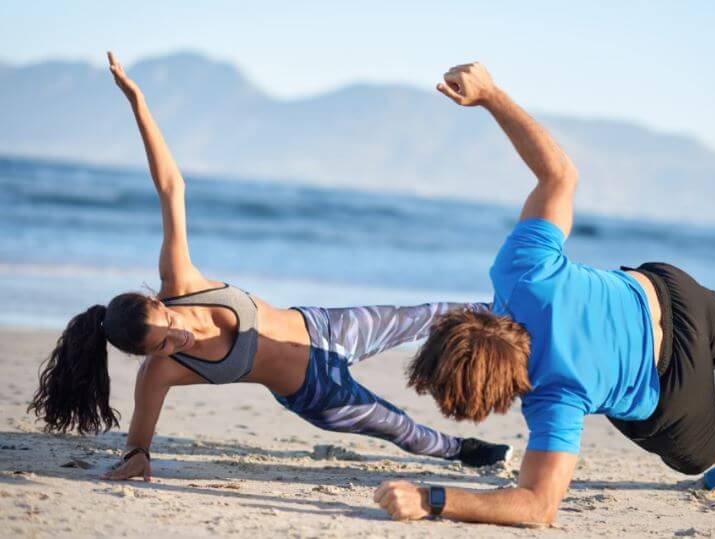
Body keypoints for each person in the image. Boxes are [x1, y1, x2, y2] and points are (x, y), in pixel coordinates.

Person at [373, 62, 715, 524]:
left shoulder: (553, 395)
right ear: (460, 321)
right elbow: (559, 173)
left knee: (713, 445)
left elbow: (537, 507)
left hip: (669, 389)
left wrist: (433, 500)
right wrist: (490, 95)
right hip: (664, 296)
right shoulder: (520, 273)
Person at [27, 52, 511, 481]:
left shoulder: (183, 281)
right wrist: (137, 455)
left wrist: (137, 102)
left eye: (169, 325)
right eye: (163, 345)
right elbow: (139, 435)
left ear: (159, 302)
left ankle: (523, 315)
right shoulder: (160, 373)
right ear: (148, 353)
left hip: (328, 327)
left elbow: (171, 186)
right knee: (403, 430)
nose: (179, 340)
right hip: (315, 392)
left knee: (434, 314)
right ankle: (468, 452)